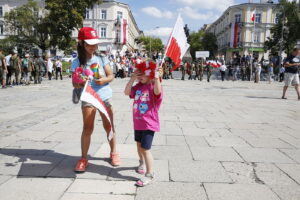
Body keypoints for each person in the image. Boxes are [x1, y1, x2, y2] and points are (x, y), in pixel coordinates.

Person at [71, 27, 120, 172]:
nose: (93, 47)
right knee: (87, 128)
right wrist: (80, 82)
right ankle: (83, 158)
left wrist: (103, 79)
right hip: (88, 97)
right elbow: (74, 83)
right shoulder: (76, 62)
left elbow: (111, 76)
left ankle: (114, 153)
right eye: (89, 44)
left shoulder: (102, 58)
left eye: (95, 44)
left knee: (109, 126)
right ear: (82, 44)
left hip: (104, 96)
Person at [124, 60, 163, 187]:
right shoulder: (137, 87)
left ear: (150, 74)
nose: (140, 77)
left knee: (145, 149)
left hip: (149, 123)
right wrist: (132, 78)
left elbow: (157, 92)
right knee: (139, 145)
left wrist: (157, 78)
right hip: (138, 122)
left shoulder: (152, 85)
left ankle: (150, 174)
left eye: (142, 74)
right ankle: (141, 162)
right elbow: (126, 92)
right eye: (138, 74)